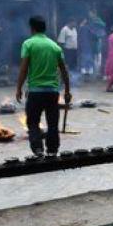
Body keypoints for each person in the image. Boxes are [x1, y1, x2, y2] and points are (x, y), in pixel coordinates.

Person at [16, 15, 71, 157]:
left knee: (33, 122)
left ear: (32, 28)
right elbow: (64, 70)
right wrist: (67, 91)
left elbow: (23, 69)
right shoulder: (55, 46)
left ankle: (38, 149)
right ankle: (52, 150)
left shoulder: (28, 44)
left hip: (35, 92)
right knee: (53, 122)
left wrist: (18, 88)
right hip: (52, 92)